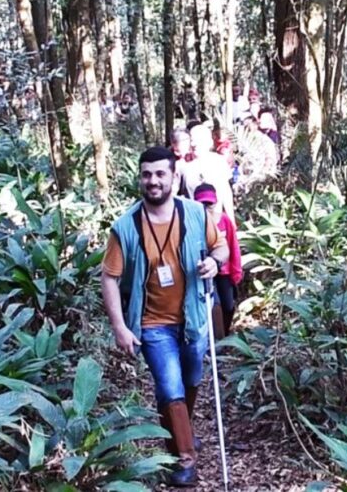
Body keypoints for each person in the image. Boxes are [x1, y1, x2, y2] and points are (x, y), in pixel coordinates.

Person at [100, 146, 229, 487]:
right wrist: (120, 327)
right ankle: (185, 458)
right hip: (152, 324)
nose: (153, 181)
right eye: (146, 174)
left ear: (173, 177)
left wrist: (214, 262)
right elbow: (109, 277)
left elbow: (222, 247)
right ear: (139, 178)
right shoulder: (125, 227)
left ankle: (179, 431)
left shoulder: (195, 215)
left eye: (160, 174)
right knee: (169, 385)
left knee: (191, 380)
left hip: (194, 317)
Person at [194, 183, 242, 338]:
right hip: (203, 271)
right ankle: (215, 341)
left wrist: (236, 271)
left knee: (228, 305)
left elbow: (233, 246)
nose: (206, 206)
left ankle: (226, 336)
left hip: (224, 271)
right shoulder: (192, 222)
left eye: (210, 203)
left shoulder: (225, 220)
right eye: (202, 203)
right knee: (213, 304)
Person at [181, 122, 236, 223]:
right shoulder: (184, 167)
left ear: (208, 142)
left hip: (216, 221)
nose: (194, 144)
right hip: (193, 223)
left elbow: (226, 192)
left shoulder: (219, 162)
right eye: (192, 140)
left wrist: (231, 221)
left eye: (198, 140)